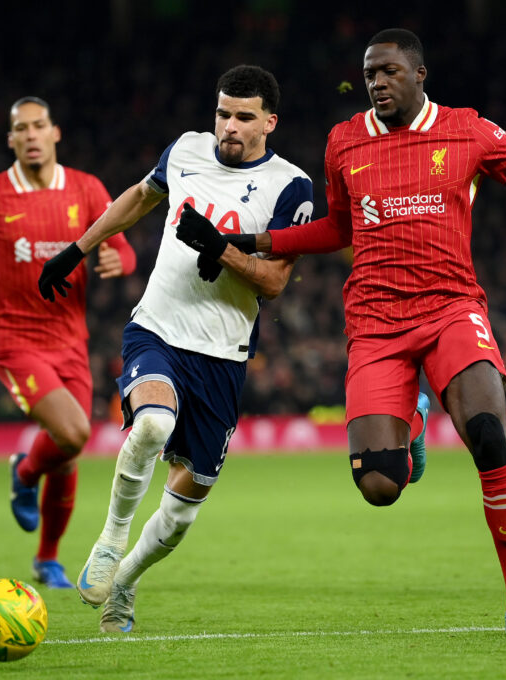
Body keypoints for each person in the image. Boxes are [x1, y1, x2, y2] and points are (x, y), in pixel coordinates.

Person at [178, 29, 506, 638]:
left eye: (389, 71)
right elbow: (336, 227)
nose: (377, 83)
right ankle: (413, 421)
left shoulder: (469, 130)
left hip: (451, 311)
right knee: (379, 485)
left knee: (488, 436)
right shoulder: (344, 141)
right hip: (374, 324)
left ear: (420, 74)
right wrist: (240, 241)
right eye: (369, 74)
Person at [37, 65, 318, 633]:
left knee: (183, 512)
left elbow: (274, 282)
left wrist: (222, 249)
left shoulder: (293, 186)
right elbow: (141, 197)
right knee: (152, 425)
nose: (228, 126)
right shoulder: (187, 150)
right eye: (221, 113)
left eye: (243, 116)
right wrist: (77, 249)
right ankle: (112, 538)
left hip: (223, 356)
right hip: (158, 331)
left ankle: (126, 583)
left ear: (270, 122)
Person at [0, 96, 138, 588]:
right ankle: (23, 473)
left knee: (68, 446)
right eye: (22, 129)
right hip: (13, 337)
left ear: (55, 132)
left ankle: (47, 558)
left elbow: (121, 241)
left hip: (70, 339)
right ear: (12, 140)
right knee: (73, 433)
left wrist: (119, 261)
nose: (32, 135)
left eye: (39, 126)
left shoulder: (85, 189)